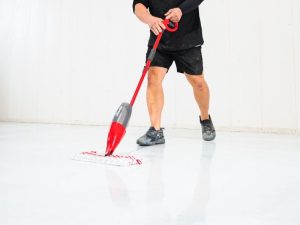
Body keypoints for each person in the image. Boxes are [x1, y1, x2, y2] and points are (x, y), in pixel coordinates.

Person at [133, 0, 216, 146]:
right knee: (153, 78)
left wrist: (181, 10)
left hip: (188, 40)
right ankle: (156, 130)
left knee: (198, 83)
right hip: (160, 40)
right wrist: (150, 20)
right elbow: (138, 5)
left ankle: (205, 119)